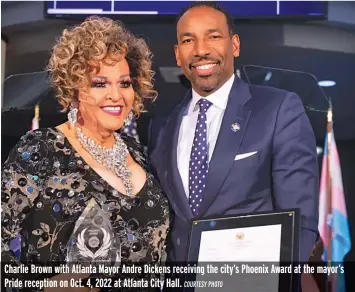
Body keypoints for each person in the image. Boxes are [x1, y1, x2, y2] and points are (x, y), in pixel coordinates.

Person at [1, 16, 170, 291]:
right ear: (76, 88)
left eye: (124, 83)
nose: (116, 95)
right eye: (100, 83)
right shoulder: (41, 150)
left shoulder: (138, 153)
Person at [149, 1, 319, 265]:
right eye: (188, 40)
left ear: (235, 45)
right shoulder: (162, 127)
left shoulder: (278, 110)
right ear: (177, 54)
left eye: (213, 36)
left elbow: (299, 221)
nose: (201, 50)